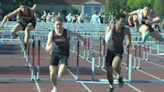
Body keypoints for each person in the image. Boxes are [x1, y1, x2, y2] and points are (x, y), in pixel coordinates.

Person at [45, 17, 86, 92]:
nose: (58, 26)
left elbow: (77, 34)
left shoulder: (67, 32)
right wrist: (49, 47)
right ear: (54, 24)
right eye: (57, 25)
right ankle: (55, 87)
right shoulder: (51, 33)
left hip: (64, 54)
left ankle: (65, 66)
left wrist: (83, 40)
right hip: (55, 53)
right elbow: (46, 47)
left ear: (62, 24)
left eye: (60, 24)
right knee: (52, 73)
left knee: (61, 73)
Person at [105, 13, 131, 92]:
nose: (123, 24)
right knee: (109, 74)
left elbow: (129, 34)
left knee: (115, 65)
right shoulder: (109, 27)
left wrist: (129, 41)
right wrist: (112, 31)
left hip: (118, 51)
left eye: (124, 22)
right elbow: (106, 40)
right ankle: (111, 86)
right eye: (121, 22)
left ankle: (119, 76)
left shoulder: (125, 30)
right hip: (110, 51)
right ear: (116, 21)